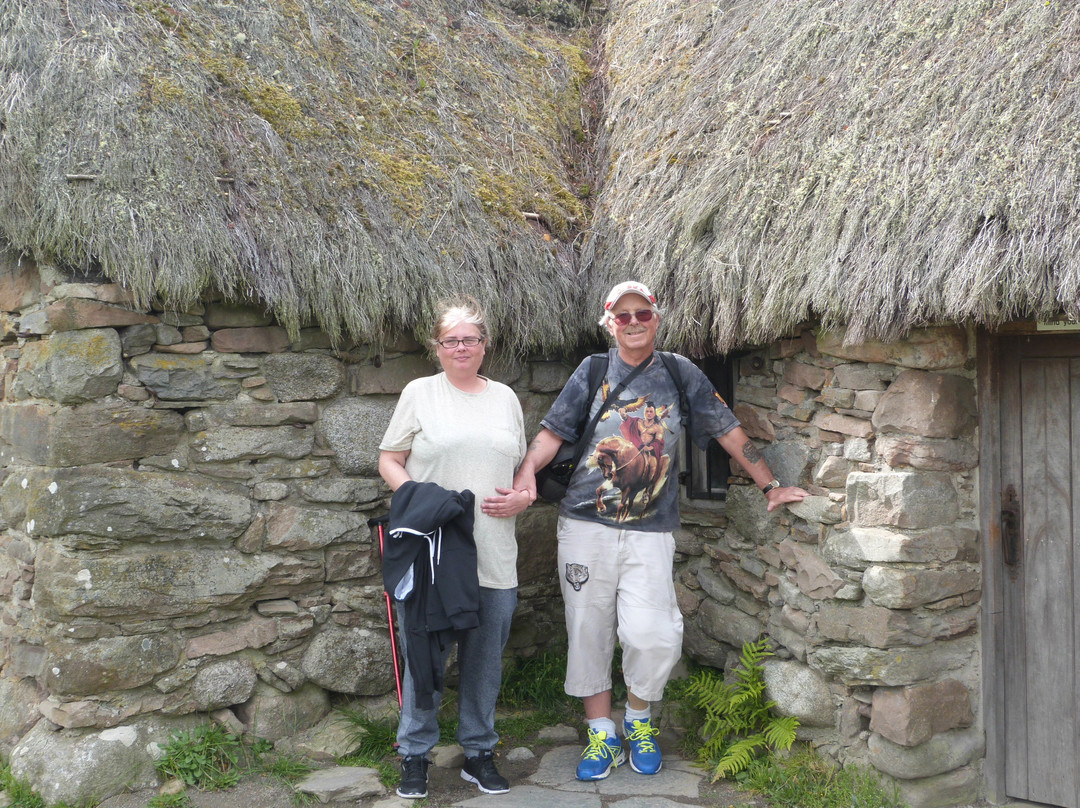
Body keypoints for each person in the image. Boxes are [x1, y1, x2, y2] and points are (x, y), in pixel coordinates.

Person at [510, 281, 809, 781]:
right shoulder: (593, 370)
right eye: (622, 315)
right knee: (588, 629)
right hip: (585, 525)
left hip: (651, 530)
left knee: (655, 635)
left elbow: (725, 428)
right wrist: (524, 476)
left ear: (656, 318)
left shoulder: (678, 370)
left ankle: (639, 720)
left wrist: (770, 484)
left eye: (641, 314)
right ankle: (601, 735)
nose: (632, 322)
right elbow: (553, 433)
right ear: (609, 321)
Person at [378, 295, 532, 799]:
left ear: (485, 345)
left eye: (471, 339)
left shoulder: (506, 398)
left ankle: (479, 752)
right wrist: (421, 502)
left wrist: (523, 499)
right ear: (437, 347)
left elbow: (515, 474)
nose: (461, 347)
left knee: (484, 660)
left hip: (493, 553)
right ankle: (415, 755)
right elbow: (389, 460)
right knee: (425, 655)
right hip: (433, 557)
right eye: (451, 340)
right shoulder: (420, 393)